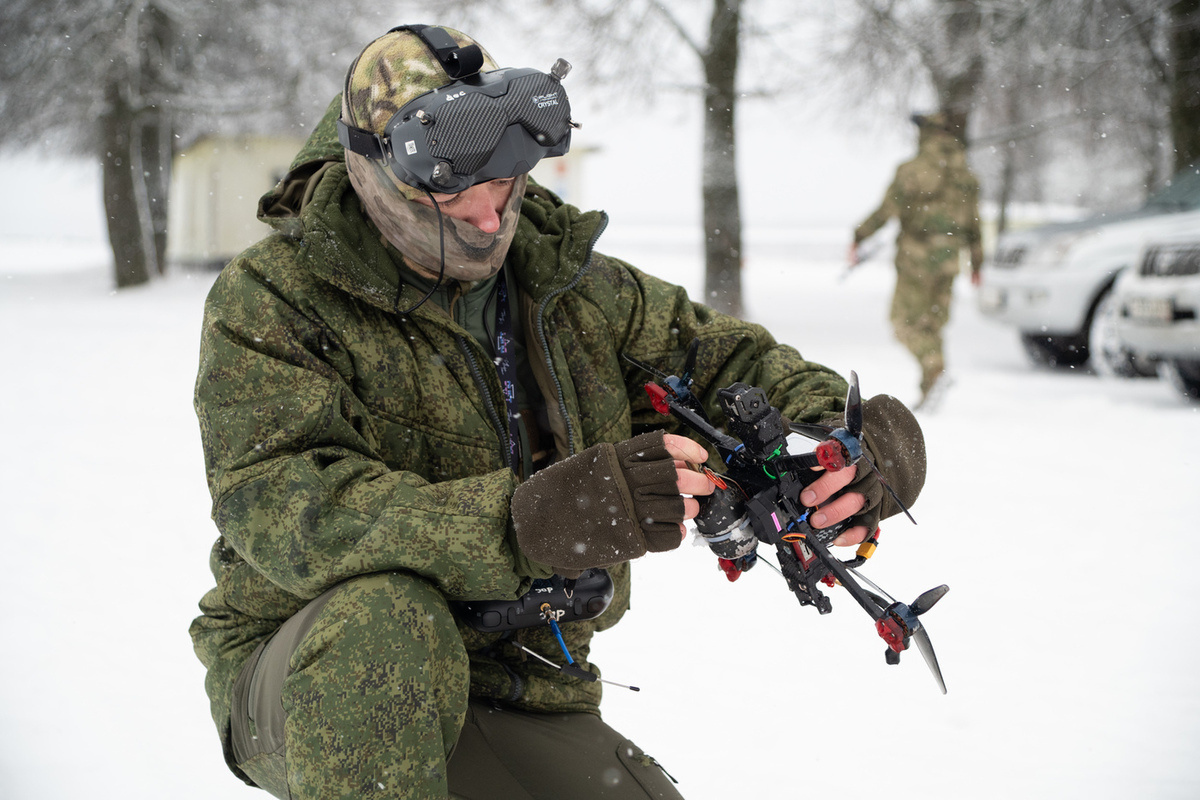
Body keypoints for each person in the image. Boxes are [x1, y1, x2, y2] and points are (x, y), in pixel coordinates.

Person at [190, 24, 927, 800]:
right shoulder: (273, 300)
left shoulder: (571, 284)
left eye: (504, 183)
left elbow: (727, 362)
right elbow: (285, 508)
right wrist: (528, 522)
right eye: (454, 192)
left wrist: (856, 441)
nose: (488, 217)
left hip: (523, 677)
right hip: (310, 672)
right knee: (385, 621)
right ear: (373, 174)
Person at [849, 112, 984, 409]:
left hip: (915, 260)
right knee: (932, 325)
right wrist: (978, 263)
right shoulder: (967, 177)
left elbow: (886, 211)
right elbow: (975, 224)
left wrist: (859, 235)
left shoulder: (912, 170)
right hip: (950, 260)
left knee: (903, 324)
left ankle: (934, 370)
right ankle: (932, 385)